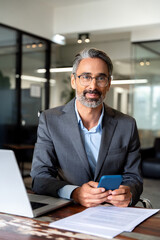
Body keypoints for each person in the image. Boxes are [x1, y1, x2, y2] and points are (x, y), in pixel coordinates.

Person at [31, 48, 143, 208]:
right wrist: (75, 193)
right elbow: (39, 177)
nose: (93, 86)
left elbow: (134, 178)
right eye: (86, 77)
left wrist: (129, 193)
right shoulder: (50, 120)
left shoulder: (127, 124)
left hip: (112, 212)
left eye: (101, 78)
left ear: (109, 84)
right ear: (73, 81)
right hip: (67, 209)